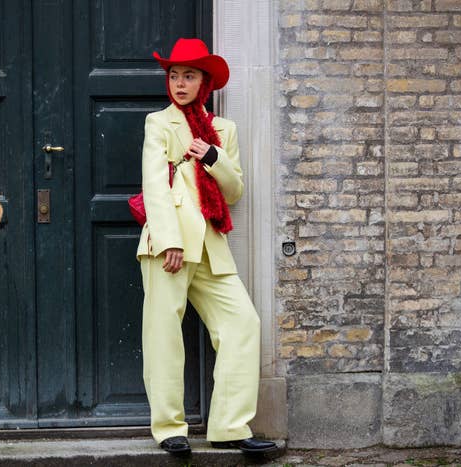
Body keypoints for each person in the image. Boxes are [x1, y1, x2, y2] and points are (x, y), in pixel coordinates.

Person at [136, 38, 277, 456]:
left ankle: (230, 426)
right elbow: (154, 185)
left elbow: (234, 192)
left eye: (189, 76)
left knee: (242, 324)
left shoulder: (224, 131)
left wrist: (213, 155)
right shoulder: (158, 123)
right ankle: (169, 429)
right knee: (163, 335)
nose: (180, 83)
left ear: (205, 83)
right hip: (170, 246)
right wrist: (169, 241)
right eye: (174, 76)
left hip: (212, 245)